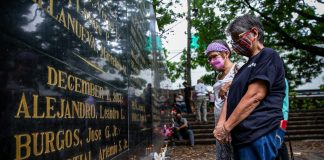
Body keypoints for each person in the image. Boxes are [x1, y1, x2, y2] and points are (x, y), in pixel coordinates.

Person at [214, 14, 286, 160]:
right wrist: (221, 125)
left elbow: (254, 96)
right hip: (242, 137)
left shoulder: (268, 56)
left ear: (254, 33)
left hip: (260, 134)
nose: (235, 45)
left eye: (238, 38)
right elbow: (230, 98)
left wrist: (227, 127)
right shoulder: (243, 68)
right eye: (233, 41)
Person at [206, 40, 237, 160]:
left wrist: (231, 83)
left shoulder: (237, 69)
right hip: (219, 125)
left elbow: (249, 87)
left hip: (231, 125)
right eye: (209, 59)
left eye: (214, 56)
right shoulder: (218, 76)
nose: (212, 61)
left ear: (226, 53)